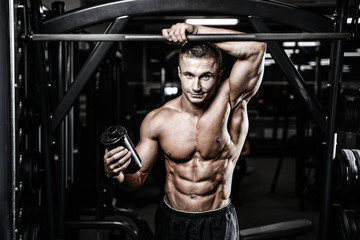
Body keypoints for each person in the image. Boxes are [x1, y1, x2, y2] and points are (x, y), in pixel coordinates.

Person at [103, 22, 266, 240]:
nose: (196, 86)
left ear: (219, 76)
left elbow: (256, 47)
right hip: (173, 220)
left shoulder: (233, 103)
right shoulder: (158, 120)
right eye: (189, 75)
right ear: (179, 73)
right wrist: (118, 174)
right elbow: (136, 179)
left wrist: (196, 31)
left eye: (205, 76)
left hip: (217, 219)